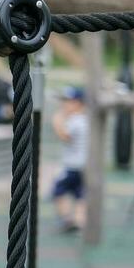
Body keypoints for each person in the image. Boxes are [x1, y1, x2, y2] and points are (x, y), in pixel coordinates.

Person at [52, 86, 89, 233]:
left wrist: (57, 120)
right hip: (83, 165)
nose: (64, 105)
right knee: (80, 194)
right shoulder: (84, 120)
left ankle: (69, 219)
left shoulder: (76, 120)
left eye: (69, 101)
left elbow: (65, 136)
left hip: (73, 166)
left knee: (58, 191)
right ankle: (78, 221)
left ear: (79, 103)